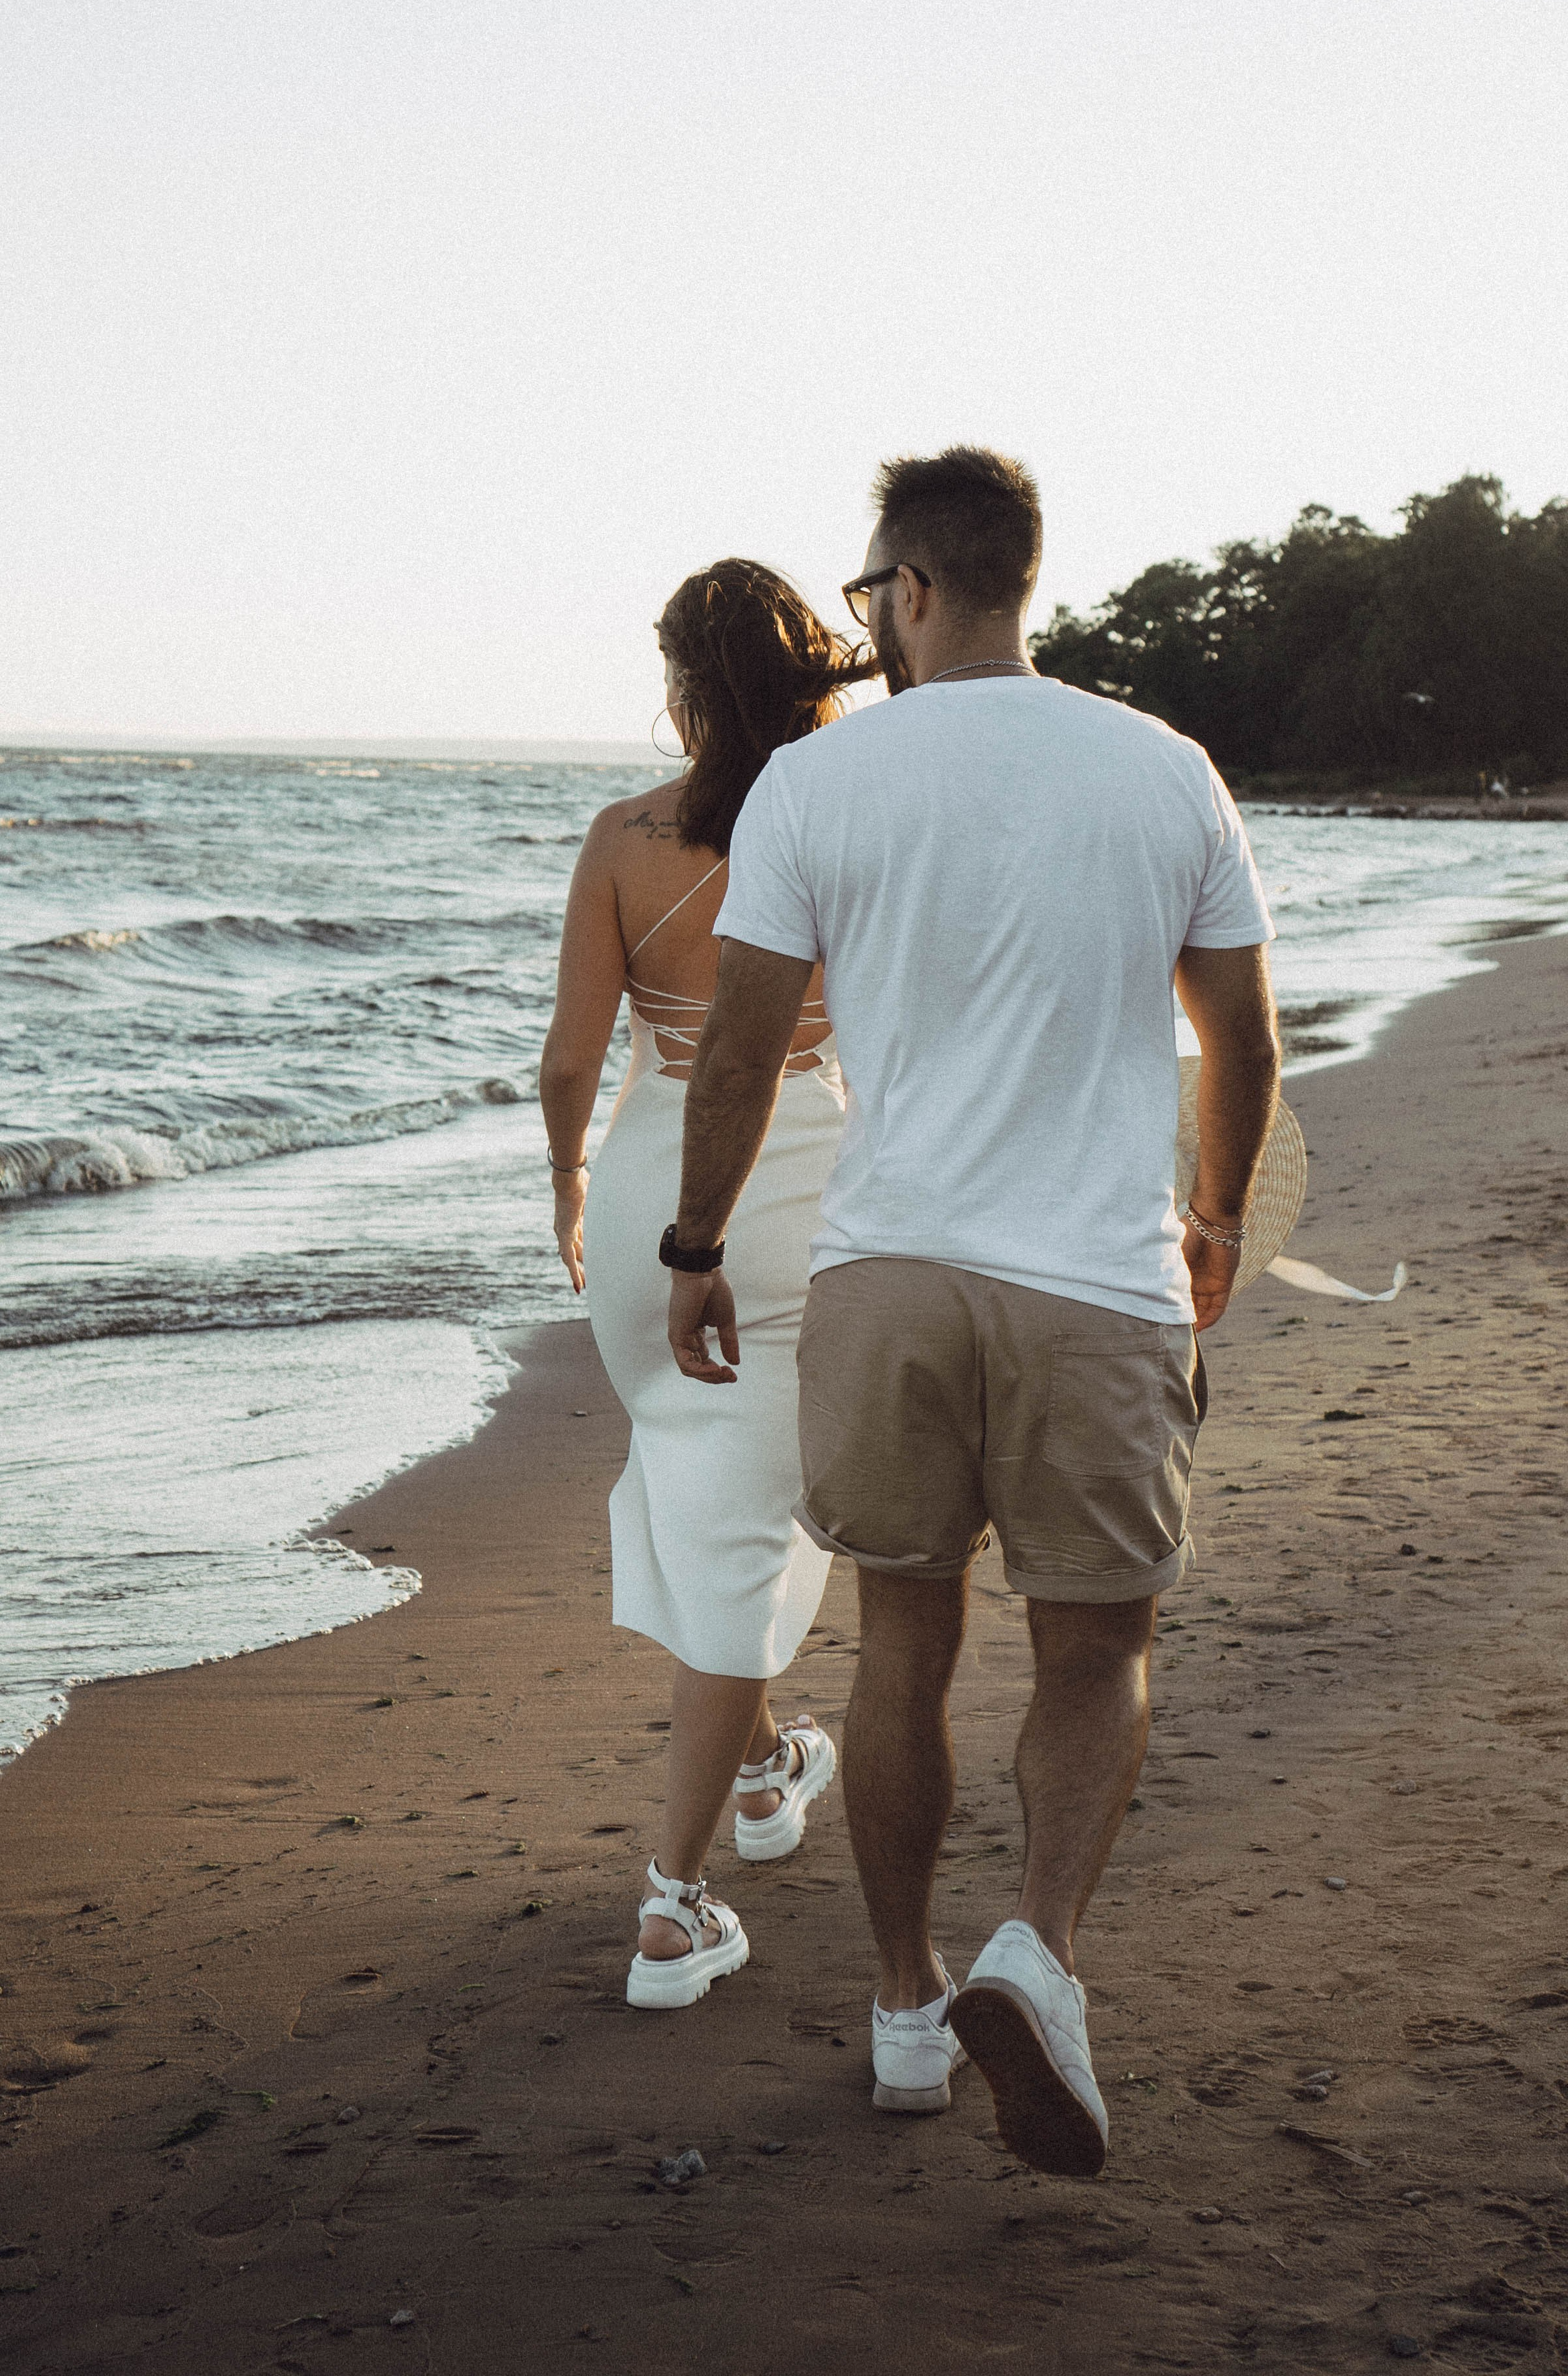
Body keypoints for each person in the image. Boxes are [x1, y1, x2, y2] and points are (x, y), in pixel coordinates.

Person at [662, 447, 1281, 2163]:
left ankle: (902, 2010)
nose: (867, 629)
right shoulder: (1164, 772)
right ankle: (1040, 1953)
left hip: (890, 1273)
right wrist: (1214, 1219)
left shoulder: (816, 788)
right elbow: (1239, 1036)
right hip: (1094, 1276)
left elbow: (740, 1045)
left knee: (903, 1638)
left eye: (868, 599)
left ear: (913, 591)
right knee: (1095, 1647)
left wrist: (690, 1243)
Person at [539, 560, 881, 2011]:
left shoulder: (622, 839)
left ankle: (760, 1768)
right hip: (796, 1185)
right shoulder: (858, 819)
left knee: (696, 1477)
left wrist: (565, 1185)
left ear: (681, 685)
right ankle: (673, 1909)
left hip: (644, 1204)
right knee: (739, 1524)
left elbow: (571, 1060)